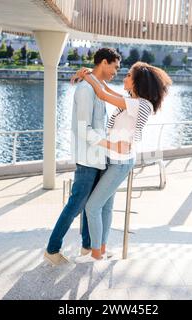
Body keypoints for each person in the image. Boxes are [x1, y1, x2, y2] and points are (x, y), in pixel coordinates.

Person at [73, 61, 172, 263]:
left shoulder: (140, 104)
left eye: (128, 75)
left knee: (92, 207)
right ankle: (101, 249)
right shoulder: (132, 100)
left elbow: (102, 95)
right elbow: (107, 90)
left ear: (137, 81)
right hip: (114, 159)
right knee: (106, 207)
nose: (124, 78)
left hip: (120, 162)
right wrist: (92, 75)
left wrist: (88, 77)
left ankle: (95, 255)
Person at [44, 48, 130, 266]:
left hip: (99, 157)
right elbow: (84, 129)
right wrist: (112, 145)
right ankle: (52, 250)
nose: (116, 72)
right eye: (115, 67)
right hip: (88, 159)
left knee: (90, 205)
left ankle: (86, 247)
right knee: (75, 206)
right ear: (104, 62)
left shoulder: (96, 87)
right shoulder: (85, 90)